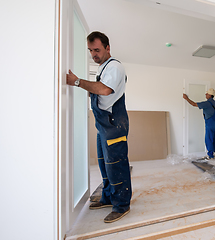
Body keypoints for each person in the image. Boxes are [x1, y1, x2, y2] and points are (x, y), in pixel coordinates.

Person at [66, 31, 131, 223]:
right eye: (90, 51)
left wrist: (77, 82)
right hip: (104, 124)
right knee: (104, 164)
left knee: (116, 166)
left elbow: (104, 89)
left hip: (114, 124)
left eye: (97, 50)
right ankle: (108, 197)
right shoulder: (103, 68)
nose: (94, 54)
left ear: (107, 48)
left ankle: (121, 205)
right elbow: (102, 93)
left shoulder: (115, 66)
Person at [183, 88, 215, 159]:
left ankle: (210, 155)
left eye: (206, 93)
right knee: (214, 138)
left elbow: (194, 104)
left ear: (210, 95)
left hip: (210, 123)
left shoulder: (206, 103)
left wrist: (186, 98)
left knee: (209, 139)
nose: (205, 94)